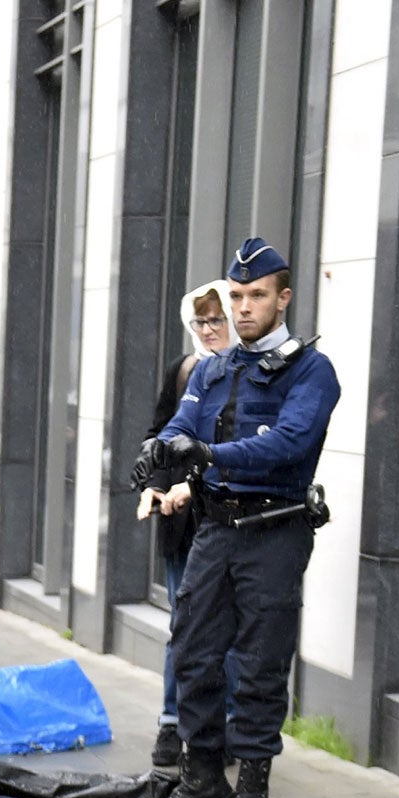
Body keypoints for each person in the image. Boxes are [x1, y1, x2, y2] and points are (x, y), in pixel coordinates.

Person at [136, 238, 340, 798]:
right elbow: (182, 422)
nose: (244, 307)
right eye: (238, 296)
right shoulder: (213, 366)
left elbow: (289, 444)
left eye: (257, 296)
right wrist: (159, 450)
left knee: (258, 659)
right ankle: (202, 781)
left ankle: (252, 788)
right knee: (193, 650)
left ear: (283, 298)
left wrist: (207, 451)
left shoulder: (311, 370)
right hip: (214, 527)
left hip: (274, 530)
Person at [140, 279, 236, 768]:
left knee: (235, 633)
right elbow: (159, 434)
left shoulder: (251, 374)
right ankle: (171, 724)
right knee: (184, 626)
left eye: (217, 319)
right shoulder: (183, 371)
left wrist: (194, 480)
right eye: (201, 321)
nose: (210, 329)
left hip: (235, 522)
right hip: (184, 524)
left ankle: (230, 730)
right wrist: (153, 483)